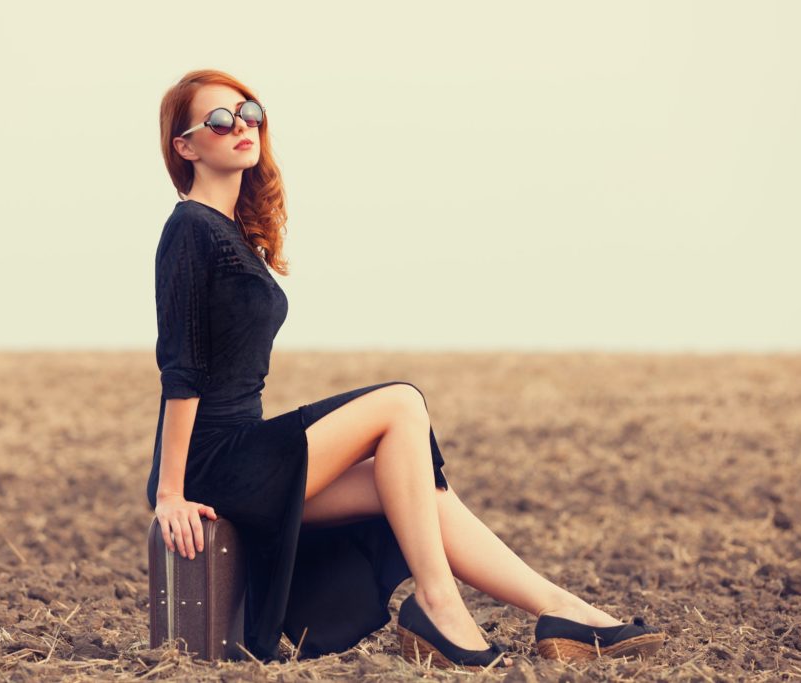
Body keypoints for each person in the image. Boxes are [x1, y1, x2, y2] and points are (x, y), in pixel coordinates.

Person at [146, 69, 665, 668]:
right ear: (185, 146)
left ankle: (565, 613)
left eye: (250, 112)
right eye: (219, 119)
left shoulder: (233, 233)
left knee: (414, 485)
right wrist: (170, 492)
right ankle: (441, 608)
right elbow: (181, 368)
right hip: (213, 463)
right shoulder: (189, 227)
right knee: (400, 404)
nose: (241, 126)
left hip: (246, 458)